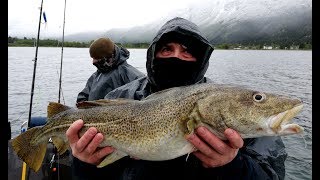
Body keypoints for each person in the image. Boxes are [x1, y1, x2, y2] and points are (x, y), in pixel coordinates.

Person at [66, 17, 287, 180]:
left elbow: (271, 174)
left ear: (200, 59)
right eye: (166, 49)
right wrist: (85, 164)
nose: (176, 57)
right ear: (154, 54)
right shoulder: (120, 96)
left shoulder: (231, 109)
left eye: (187, 51)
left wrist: (233, 166)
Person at [76, 37, 145, 103]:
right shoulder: (96, 75)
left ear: (109, 57)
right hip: (91, 114)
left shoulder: (130, 74)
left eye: (96, 58)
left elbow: (145, 96)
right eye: (92, 58)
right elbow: (84, 95)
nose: (93, 62)